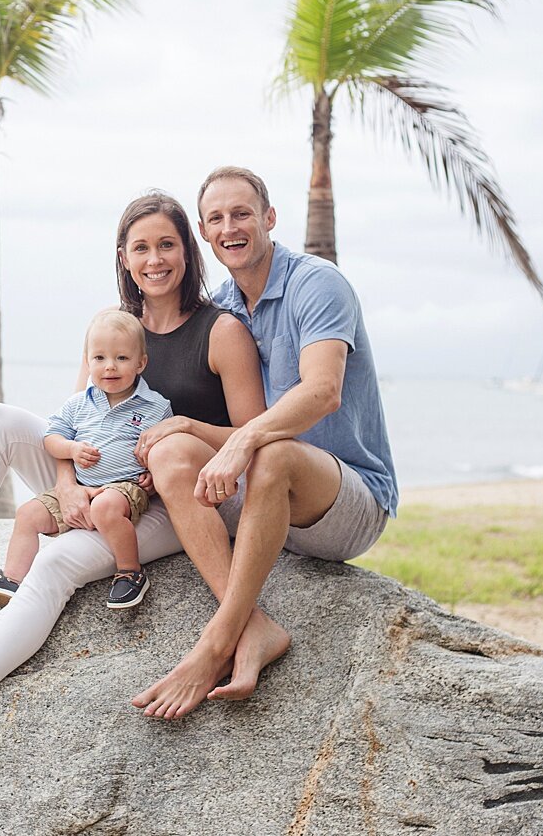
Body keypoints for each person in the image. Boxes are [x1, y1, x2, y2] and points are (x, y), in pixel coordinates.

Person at [0, 190, 266, 744]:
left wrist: (185, 428)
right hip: (92, 480)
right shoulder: (112, 331)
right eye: (140, 247)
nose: (155, 260)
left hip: (165, 502)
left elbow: (252, 438)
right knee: (0, 418)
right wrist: (68, 486)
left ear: (188, 252)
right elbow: (73, 428)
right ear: (123, 256)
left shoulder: (221, 331)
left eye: (167, 245)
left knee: (56, 565)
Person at [132, 166, 398, 721]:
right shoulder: (225, 309)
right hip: (268, 503)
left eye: (242, 213)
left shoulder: (316, 282)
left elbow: (322, 392)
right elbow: (234, 431)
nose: (230, 226)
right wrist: (188, 432)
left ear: (269, 218)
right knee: (172, 452)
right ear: (204, 233)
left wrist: (241, 443)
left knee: (271, 453)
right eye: (217, 218)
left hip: (347, 499)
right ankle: (257, 627)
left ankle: (217, 642)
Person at [0, 309, 173, 610]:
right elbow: (51, 439)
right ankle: (12, 579)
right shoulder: (78, 404)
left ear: (141, 362)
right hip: (80, 486)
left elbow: (168, 446)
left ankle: (130, 572)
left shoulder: (155, 406)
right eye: (99, 358)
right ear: (88, 361)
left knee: (105, 507)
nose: (109, 367)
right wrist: (71, 450)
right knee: (27, 515)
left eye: (121, 358)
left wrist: (154, 471)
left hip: (123, 487)